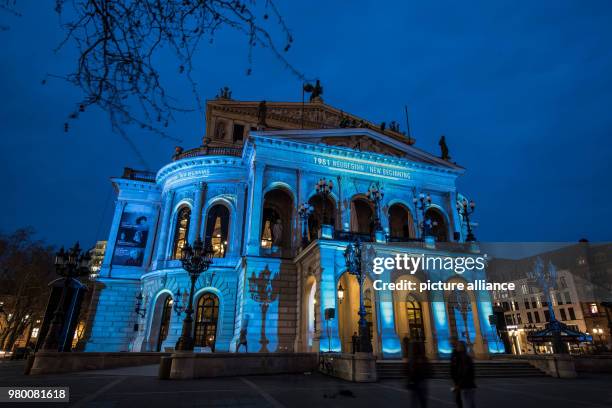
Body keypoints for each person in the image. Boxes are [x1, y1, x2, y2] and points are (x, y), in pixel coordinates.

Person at [450, 340, 476, 408]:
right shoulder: (461, 357)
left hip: (467, 385)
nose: (457, 347)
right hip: (465, 385)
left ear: (462, 347)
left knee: (467, 404)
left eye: (458, 346)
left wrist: (459, 385)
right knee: (468, 404)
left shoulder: (465, 358)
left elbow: (465, 373)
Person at [407, 341, 430, 408]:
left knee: (417, 401)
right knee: (421, 401)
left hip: (418, 382)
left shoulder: (416, 358)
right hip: (419, 382)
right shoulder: (420, 358)